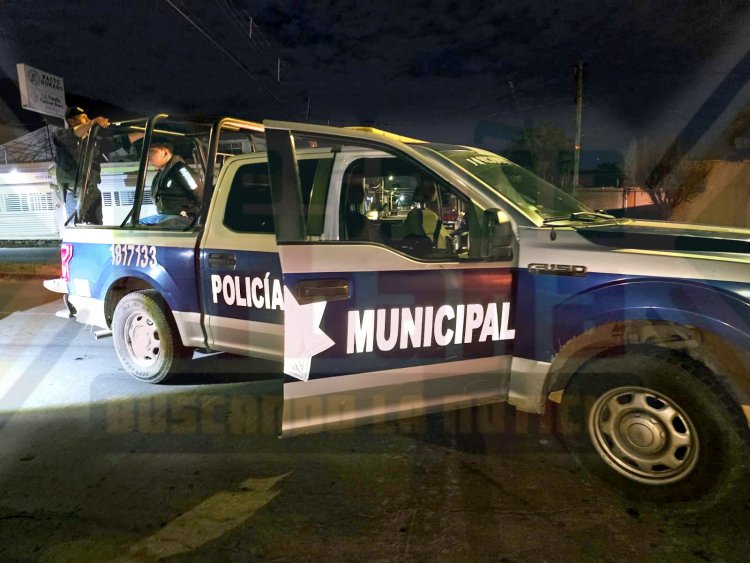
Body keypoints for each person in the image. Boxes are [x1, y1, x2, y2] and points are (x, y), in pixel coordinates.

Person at [53, 106, 110, 223]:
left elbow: (119, 142)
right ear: (71, 121)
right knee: (80, 228)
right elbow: (73, 135)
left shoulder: (92, 141)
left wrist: (142, 133)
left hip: (92, 192)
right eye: (84, 118)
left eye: (88, 117)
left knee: (97, 228)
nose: (88, 120)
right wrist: (93, 122)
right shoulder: (60, 136)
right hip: (76, 193)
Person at [139, 141, 203, 225]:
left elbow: (199, 194)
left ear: (165, 152)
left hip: (182, 217)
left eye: (152, 152)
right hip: (166, 216)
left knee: (145, 228)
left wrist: (191, 213)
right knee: (136, 224)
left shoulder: (181, 170)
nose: (148, 157)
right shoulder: (159, 175)